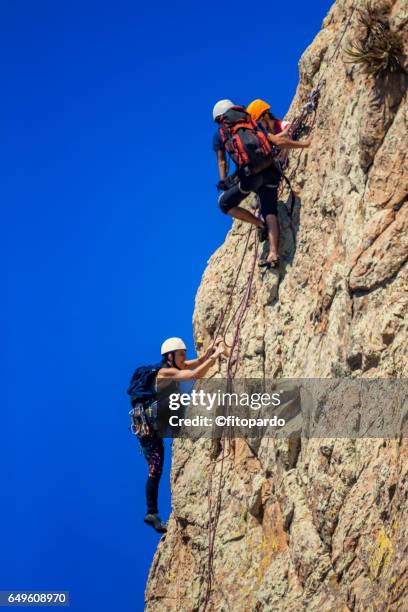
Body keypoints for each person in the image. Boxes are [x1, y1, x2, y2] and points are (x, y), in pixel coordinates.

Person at [213, 99, 311, 268]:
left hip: (251, 176)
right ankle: (273, 253)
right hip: (271, 171)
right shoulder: (251, 123)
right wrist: (305, 144)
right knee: (270, 210)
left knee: (224, 204)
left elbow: (222, 162)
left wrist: (224, 182)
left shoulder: (220, 133)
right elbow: (276, 141)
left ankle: (259, 224)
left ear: (220, 118)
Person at [141, 336, 225, 533]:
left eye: (184, 354)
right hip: (152, 420)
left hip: (150, 430)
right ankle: (151, 512)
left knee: (155, 469)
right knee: (177, 399)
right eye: (180, 354)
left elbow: (195, 363)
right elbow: (195, 374)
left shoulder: (173, 366)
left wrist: (210, 351)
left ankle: (151, 512)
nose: (184, 358)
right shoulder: (165, 372)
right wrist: (217, 356)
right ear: (169, 357)